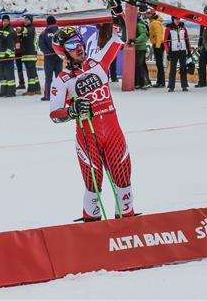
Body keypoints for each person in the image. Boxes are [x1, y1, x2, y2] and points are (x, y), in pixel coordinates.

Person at [49, 17, 136, 221]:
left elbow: (118, 38)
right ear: (63, 51)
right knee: (93, 185)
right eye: (71, 45)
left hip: (113, 133)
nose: (78, 47)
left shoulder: (98, 62)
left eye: (79, 41)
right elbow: (54, 114)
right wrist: (72, 111)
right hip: (89, 138)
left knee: (123, 180)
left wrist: (117, 14)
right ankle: (91, 226)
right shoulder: (62, 80)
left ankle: (128, 223)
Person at [164, 16, 191, 92]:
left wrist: (189, 50)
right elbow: (165, 41)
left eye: (179, 19)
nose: (178, 20)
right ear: (173, 20)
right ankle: (171, 86)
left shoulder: (183, 27)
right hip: (173, 51)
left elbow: (187, 40)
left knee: (183, 69)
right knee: (173, 69)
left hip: (182, 50)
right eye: (176, 19)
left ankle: (184, 86)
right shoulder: (168, 28)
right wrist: (168, 52)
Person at [38, 16, 61, 102]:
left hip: (48, 58)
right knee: (59, 77)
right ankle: (60, 95)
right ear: (55, 22)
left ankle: (47, 96)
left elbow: (41, 44)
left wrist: (47, 52)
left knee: (48, 78)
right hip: (59, 57)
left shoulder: (43, 33)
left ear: (47, 23)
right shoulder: (59, 32)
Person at [0, 14, 17, 97]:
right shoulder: (1, 30)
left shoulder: (10, 30)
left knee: (9, 74)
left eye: (7, 21)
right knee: (2, 75)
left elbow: (11, 44)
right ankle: (3, 91)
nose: (5, 22)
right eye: (4, 21)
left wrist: (7, 54)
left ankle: (11, 92)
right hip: (1, 57)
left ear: (9, 21)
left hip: (8, 57)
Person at [19, 15, 41, 95]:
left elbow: (25, 30)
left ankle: (31, 90)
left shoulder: (31, 28)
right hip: (27, 54)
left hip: (30, 54)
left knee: (30, 73)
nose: (25, 21)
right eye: (25, 20)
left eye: (27, 20)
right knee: (33, 73)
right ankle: (37, 89)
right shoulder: (27, 29)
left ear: (31, 21)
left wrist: (20, 29)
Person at [194, 5, 207, 87]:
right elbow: (201, 34)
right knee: (201, 64)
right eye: (205, 11)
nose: (206, 12)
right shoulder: (203, 20)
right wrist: (199, 45)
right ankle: (202, 82)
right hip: (204, 46)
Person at [148, 13, 165, 87]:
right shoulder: (156, 22)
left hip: (158, 45)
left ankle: (160, 82)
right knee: (159, 64)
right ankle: (160, 82)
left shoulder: (155, 23)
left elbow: (159, 35)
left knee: (159, 64)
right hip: (159, 44)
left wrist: (157, 46)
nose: (147, 16)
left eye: (149, 15)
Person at [134, 14, 150, 89]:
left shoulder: (139, 25)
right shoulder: (141, 24)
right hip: (140, 48)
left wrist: (135, 41)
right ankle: (140, 82)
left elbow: (143, 35)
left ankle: (145, 82)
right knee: (141, 65)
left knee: (139, 66)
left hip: (140, 48)